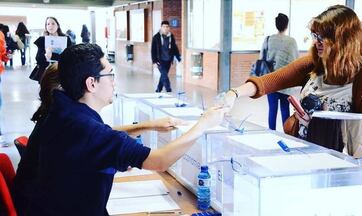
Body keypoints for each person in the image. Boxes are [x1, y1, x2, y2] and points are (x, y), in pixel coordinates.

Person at [12, 43, 227, 215]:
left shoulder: (62, 113)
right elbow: (159, 161)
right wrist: (204, 124)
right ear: (91, 83)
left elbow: (100, 137)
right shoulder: (87, 130)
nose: (115, 82)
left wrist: (147, 126)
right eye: (110, 75)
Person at [222, 5, 362, 152]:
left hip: (341, 160)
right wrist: (234, 93)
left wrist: (320, 121)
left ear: (343, 40)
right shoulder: (315, 63)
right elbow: (270, 81)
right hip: (306, 150)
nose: (317, 43)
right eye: (315, 35)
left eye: (323, 38)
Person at [260, 13, 298, 130]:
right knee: (285, 110)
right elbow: (295, 61)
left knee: (272, 109)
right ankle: (286, 134)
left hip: (271, 81)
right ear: (286, 25)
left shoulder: (268, 40)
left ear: (276, 25)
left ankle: (271, 133)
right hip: (286, 82)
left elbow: (262, 57)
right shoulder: (292, 42)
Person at [30, 17, 72, 83]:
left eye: (53, 23)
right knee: (46, 92)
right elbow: (38, 58)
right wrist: (46, 54)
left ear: (57, 25)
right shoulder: (42, 39)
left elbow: (69, 57)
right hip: (46, 72)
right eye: (48, 24)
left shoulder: (66, 39)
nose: (50, 26)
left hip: (62, 72)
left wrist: (52, 55)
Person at [151, 20, 181, 93]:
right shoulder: (156, 37)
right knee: (165, 75)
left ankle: (158, 89)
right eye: (164, 27)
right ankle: (168, 89)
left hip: (168, 60)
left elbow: (174, 48)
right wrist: (154, 61)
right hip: (159, 61)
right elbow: (153, 50)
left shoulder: (171, 36)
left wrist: (178, 58)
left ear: (169, 28)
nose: (165, 28)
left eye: (167, 27)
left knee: (163, 76)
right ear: (161, 27)